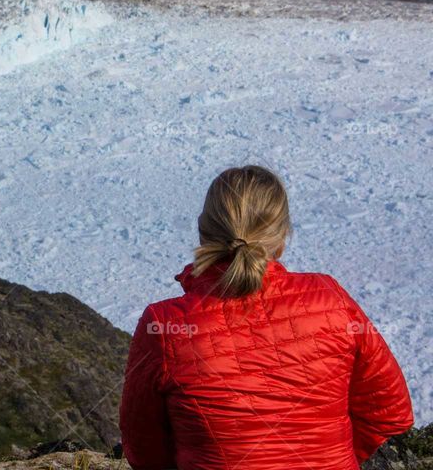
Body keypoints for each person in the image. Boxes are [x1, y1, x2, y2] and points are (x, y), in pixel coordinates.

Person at [119, 165, 413, 470]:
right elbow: (390, 410)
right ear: (282, 237)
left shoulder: (165, 325)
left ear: (203, 231)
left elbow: (142, 445)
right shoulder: (330, 299)